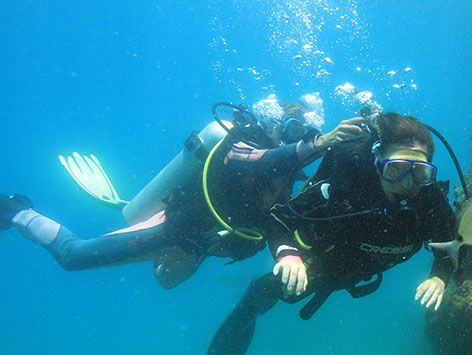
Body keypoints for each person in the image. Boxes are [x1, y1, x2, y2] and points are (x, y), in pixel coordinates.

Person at [0, 108, 365, 288]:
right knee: (73, 256)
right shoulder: (240, 145)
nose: (293, 137)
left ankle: (144, 247)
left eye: (303, 130)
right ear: (271, 126)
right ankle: (18, 210)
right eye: (290, 128)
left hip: (200, 245)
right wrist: (318, 142)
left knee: (165, 283)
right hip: (175, 228)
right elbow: (267, 159)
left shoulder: (287, 180)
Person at [207, 112, 457, 355]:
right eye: (396, 169)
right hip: (325, 259)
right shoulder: (343, 187)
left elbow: (453, 242)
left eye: (421, 172)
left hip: (358, 269)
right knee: (286, 291)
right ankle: (246, 310)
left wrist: (439, 277)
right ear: (377, 161)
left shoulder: (431, 200)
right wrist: (288, 255)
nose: (407, 182)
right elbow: (279, 219)